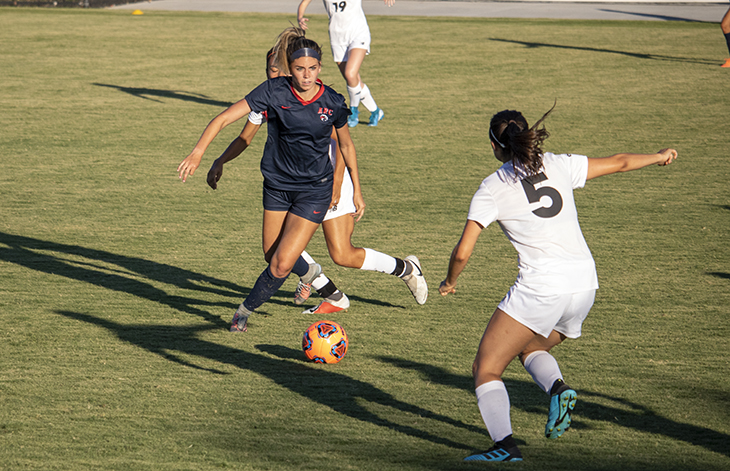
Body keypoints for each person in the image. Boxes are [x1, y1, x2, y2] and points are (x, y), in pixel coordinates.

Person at [438, 106, 677, 462]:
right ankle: (557, 388)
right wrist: (658, 156)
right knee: (530, 348)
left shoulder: (493, 187)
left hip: (541, 289)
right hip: (584, 284)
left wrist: (449, 281)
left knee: (485, 368)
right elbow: (620, 161)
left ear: (493, 144)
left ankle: (505, 446)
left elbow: (463, 251)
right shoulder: (558, 163)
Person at [206, 28, 428, 315]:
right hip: (298, 184)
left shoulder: (317, 100)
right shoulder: (271, 97)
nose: (276, 75)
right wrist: (220, 160)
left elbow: (339, 145)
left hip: (330, 178)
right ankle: (330, 293)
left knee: (342, 254)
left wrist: (340, 186)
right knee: (276, 249)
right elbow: (245, 137)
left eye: (280, 70)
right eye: (271, 71)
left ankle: (406, 269)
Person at [297, 0, 395, 127]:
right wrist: (300, 17)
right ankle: (375, 111)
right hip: (337, 37)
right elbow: (304, 2)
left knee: (350, 73)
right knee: (353, 80)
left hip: (358, 33)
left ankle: (353, 111)